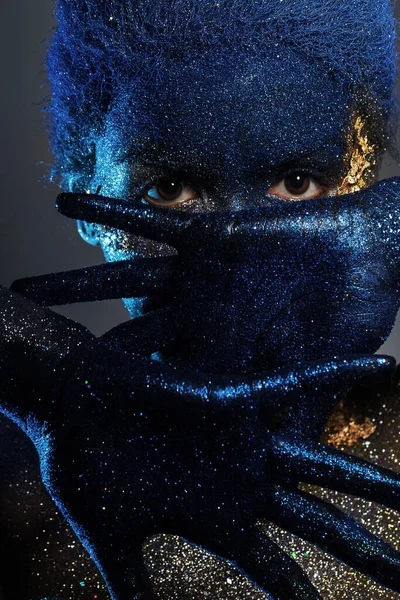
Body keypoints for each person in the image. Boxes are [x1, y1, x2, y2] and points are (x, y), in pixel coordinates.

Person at [1, 0, 400, 598]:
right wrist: (40, 375)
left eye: (295, 182)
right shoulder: (15, 491)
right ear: (85, 195)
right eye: (170, 190)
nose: (237, 249)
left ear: (363, 186)